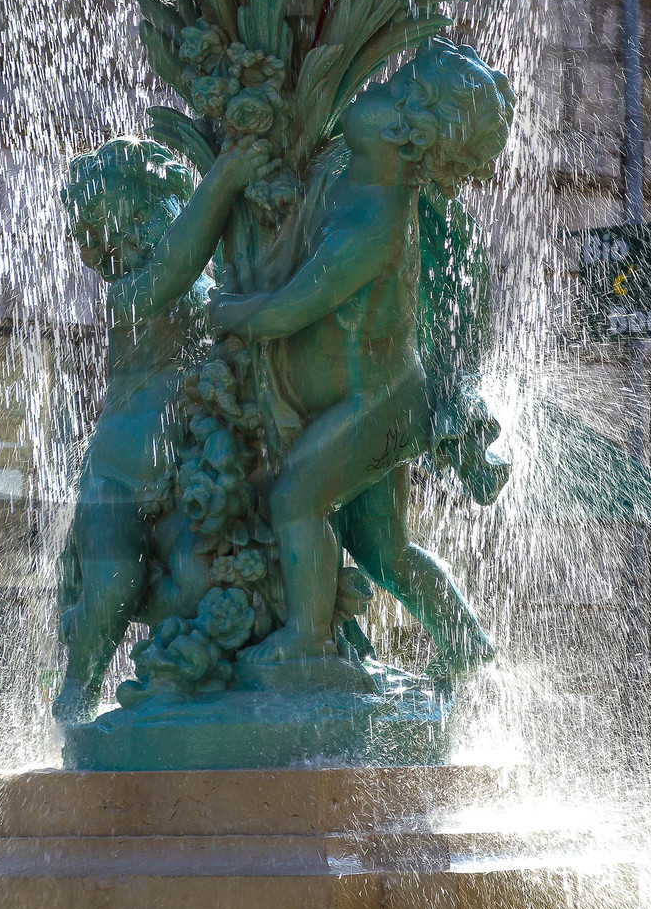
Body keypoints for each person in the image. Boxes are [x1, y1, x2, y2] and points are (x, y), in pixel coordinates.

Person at [213, 40, 513, 675]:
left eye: (393, 93)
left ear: (409, 131)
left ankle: (305, 637)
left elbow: (287, 310)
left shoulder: (375, 219)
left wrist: (215, 309)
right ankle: (467, 647)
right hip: (374, 397)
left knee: (296, 499)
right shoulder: (356, 173)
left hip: (379, 405)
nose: (371, 96)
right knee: (384, 549)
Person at [52, 133, 268, 721]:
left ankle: (191, 678)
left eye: (165, 208)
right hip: (117, 478)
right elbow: (173, 268)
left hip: (190, 479)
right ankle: (79, 690)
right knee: (109, 584)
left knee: (202, 589)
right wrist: (223, 180)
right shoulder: (127, 295)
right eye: (142, 215)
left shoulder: (222, 273)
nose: (161, 224)